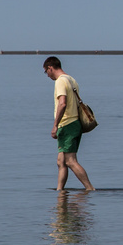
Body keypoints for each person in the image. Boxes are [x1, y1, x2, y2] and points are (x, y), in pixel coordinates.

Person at [44, 57, 95, 192]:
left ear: (50, 68)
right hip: (74, 124)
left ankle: (90, 189)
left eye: (46, 72)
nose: (47, 75)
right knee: (61, 162)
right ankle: (60, 192)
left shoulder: (60, 81)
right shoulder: (71, 79)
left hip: (67, 124)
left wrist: (55, 125)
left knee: (70, 161)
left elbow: (63, 103)